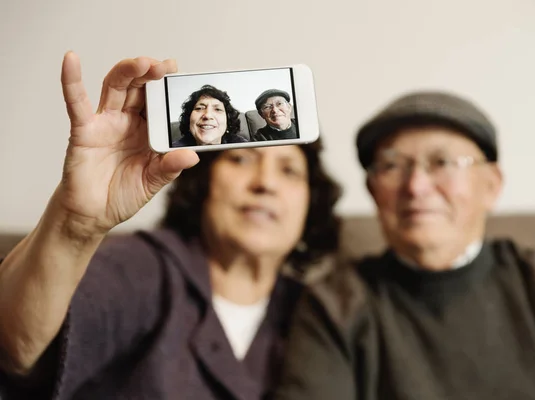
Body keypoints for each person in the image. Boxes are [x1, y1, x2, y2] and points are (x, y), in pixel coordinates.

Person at [0, 52, 341, 399]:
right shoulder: (142, 266)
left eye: (289, 170)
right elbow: (18, 350)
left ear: (311, 204)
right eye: (240, 159)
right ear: (203, 183)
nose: (265, 183)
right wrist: (73, 227)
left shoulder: (315, 313)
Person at [273, 91, 535, 399]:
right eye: (392, 165)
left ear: (491, 185)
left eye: (442, 162)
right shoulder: (335, 304)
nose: (416, 186)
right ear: (373, 191)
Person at [172, 84, 248, 147]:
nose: (208, 115)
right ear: (189, 119)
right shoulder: (172, 153)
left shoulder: (245, 148)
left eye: (218, 109)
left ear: (228, 121)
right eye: (199, 108)